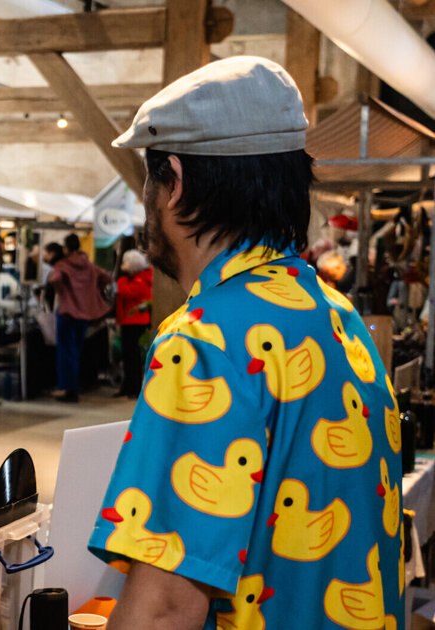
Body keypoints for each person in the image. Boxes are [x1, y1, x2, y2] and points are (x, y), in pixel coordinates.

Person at [89, 57, 402, 629]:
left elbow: (164, 608)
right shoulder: (340, 319)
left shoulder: (205, 339)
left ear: (174, 184)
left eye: (148, 181)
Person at [47, 234, 112, 402]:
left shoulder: (64, 265)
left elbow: (54, 279)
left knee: (66, 352)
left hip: (68, 312)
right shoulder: (89, 265)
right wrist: (92, 290)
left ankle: (68, 389)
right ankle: (74, 387)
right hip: (85, 313)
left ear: (66, 248)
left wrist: (64, 291)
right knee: (76, 351)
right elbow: (106, 277)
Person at [113, 249, 152, 398]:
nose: (123, 265)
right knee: (127, 356)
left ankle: (134, 388)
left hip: (136, 322)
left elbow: (128, 293)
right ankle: (127, 386)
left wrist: (121, 282)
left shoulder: (142, 279)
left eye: (125, 262)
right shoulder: (135, 279)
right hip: (128, 321)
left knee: (134, 357)